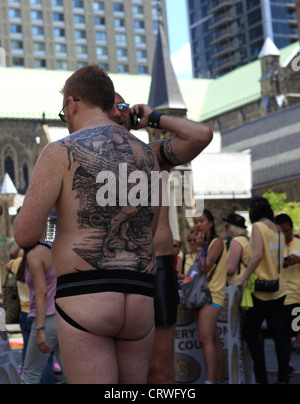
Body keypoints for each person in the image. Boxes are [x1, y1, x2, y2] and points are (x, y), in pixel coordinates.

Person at [14, 65, 161, 384]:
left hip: (87, 293)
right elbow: (148, 229)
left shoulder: (60, 151)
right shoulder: (147, 157)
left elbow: (25, 233)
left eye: (64, 109)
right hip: (139, 296)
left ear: (72, 103)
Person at [109, 92, 213, 383]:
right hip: (110, 273)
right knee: (113, 373)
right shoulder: (83, 160)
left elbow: (201, 135)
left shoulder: (152, 154)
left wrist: (154, 118)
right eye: (109, 108)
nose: (117, 113)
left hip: (156, 269)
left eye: (123, 107)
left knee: (159, 372)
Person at [236, 196, 290, 384]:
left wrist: (242, 279)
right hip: (279, 289)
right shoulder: (278, 231)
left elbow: (257, 255)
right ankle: (283, 378)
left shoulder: (258, 227)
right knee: (279, 335)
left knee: (250, 333)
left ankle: (262, 378)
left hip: (260, 290)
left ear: (254, 211)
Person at [20, 240, 65, 384]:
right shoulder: (54, 248)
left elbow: (41, 293)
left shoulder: (34, 255)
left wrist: (40, 328)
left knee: (29, 376)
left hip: (46, 318)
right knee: (72, 374)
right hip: (63, 317)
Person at [193, 209, 227, 384]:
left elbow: (204, 267)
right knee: (213, 339)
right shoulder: (208, 243)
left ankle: (211, 380)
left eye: (201, 221)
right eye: (196, 221)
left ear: (211, 223)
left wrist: (199, 249)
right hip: (208, 294)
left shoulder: (216, 242)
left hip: (212, 295)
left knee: (205, 338)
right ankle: (219, 378)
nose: (198, 224)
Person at [275, 214, 300, 354]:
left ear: (292, 228)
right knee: (283, 336)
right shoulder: (274, 247)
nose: (285, 234)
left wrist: (299, 260)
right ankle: (287, 365)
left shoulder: (299, 243)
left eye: (287, 230)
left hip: (297, 298)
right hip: (280, 298)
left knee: (297, 334)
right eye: (281, 232)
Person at [223, 213, 250, 285]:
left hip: (237, 284)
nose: (225, 230)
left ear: (233, 227)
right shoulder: (247, 240)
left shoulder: (236, 241)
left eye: (226, 226)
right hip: (247, 281)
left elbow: (231, 269)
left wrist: (217, 272)